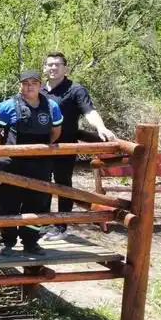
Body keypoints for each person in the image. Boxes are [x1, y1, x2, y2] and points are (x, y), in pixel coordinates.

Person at [43, 51, 117, 239]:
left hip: (65, 146)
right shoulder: (39, 90)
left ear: (65, 67)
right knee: (40, 184)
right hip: (41, 146)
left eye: (57, 64)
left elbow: (89, 111)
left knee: (63, 184)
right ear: (44, 67)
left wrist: (101, 127)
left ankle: (61, 226)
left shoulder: (75, 89)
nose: (53, 67)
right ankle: (42, 223)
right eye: (49, 64)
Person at [0, 70, 63, 255]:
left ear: (41, 85)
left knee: (37, 204)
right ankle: (7, 242)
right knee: (8, 203)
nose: (29, 86)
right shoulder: (8, 106)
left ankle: (31, 242)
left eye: (34, 82)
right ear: (20, 85)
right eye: (25, 83)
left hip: (40, 164)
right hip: (12, 163)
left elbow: (56, 133)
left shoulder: (52, 107)